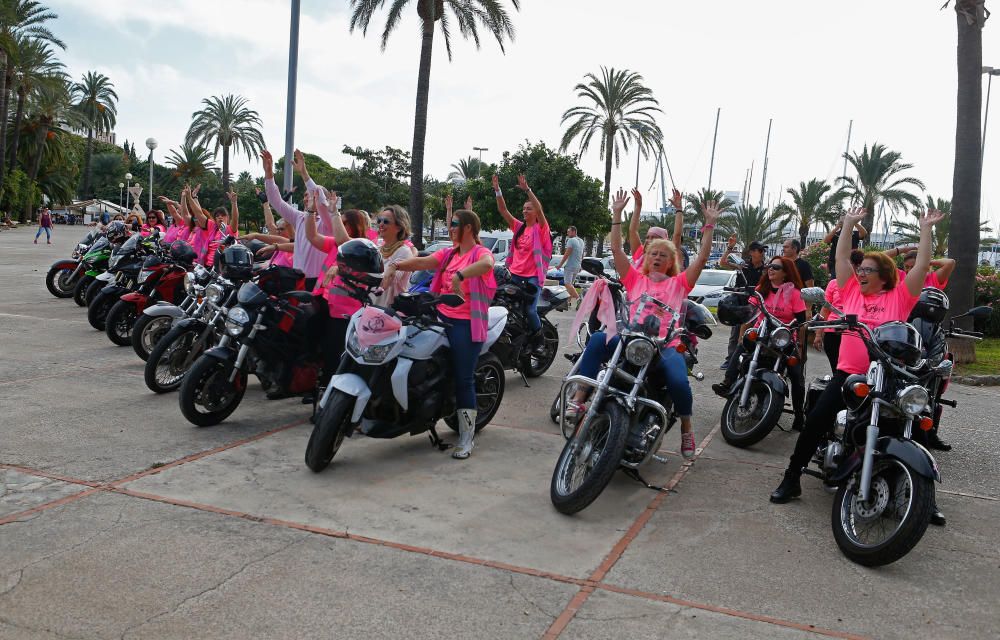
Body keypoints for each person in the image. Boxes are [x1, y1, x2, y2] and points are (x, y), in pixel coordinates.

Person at [770, 206, 946, 528]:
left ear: (884, 275)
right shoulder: (851, 292)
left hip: (887, 377)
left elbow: (921, 265)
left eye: (867, 270)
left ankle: (924, 497)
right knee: (815, 421)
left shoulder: (900, 297)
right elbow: (840, 260)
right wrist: (848, 225)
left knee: (915, 424)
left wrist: (926, 230)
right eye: (860, 268)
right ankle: (792, 477)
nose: (860, 273)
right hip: (849, 374)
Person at [566, 189, 722, 459]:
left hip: (663, 347)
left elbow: (702, 258)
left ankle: (686, 426)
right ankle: (581, 397)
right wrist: (617, 214)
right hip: (629, 339)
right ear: (646, 258)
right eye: (653, 253)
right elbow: (616, 248)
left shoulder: (679, 284)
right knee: (596, 340)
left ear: (672, 260)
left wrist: (709, 225)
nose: (658, 257)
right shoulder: (635, 279)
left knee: (678, 380)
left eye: (664, 254)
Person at [387, 208, 497, 459]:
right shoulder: (449, 253)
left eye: (455, 224)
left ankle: (466, 438)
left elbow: (488, 264)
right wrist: (396, 265)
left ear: (468, 227)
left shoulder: (479, 252)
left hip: (466, 321)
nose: (451, 228)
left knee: (464, 379)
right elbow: (425, 261)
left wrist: (461, 274)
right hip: (440, 314)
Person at [714, 255, 808, 429]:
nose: (770, 269)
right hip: (760, 333)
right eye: (770, 266)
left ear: (786, 273)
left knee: (796, 375)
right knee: (741, 349)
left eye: (776, 267)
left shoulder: (795, 294)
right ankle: (727, 382)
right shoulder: (761, 289)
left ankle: (799, 415)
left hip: (783, 339)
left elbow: (801, 323)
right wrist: (743, 335)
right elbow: (749, 316)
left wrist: (800, 347)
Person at [304, 194, 371, 389]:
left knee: (334, 354)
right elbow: (312, 237)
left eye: (343, 223)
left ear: (353, 226)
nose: (338, 226)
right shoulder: (336, 244)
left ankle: (330, 396)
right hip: (325, 304)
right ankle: (317, 387)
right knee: (319, 348)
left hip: (344, 313)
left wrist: (333, 212)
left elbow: (344, 241)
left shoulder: (363, 248)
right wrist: (310, 211)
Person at [493, 173, 551, 347]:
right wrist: (497, 191)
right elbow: (503, 210)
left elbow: (540, 210)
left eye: (529, 208)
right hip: (515, 276)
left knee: (530, 310)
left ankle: (539, 339)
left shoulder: (541, 228)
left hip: (533, 277)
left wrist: (527, 190)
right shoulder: (519, 227)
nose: (525, 211)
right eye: (524, 208)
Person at [260, 149, 332, 290]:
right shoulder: (300, 217)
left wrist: (304, 173)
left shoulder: (328, 222)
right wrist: (269, 176)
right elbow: (277, 202)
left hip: (318, 283)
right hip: (296, 280)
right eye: (305, 195)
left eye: (309, 195)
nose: (306, 198)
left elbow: (320, 198)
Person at [812, 249, 865, 371]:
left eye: (846, 263)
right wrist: (819, 334)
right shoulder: (833, 284)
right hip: (832, 332)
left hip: (855, 333)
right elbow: (825, 310)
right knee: (836, 369)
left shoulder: (865, 284)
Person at [719, 238, 768, 368]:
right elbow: (723, 263)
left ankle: (750, 360)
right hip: (740, 303)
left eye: (763, 250)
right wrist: (729, 248)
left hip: (757, 305)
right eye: (760, 250)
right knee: (735, 334)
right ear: (752, 252)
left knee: (757, 333)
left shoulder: (767, 268)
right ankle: (731, 360)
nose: (763, 253)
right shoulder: (743, 265)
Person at [629, 188, 688, 271]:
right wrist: (638, 206)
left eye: (654, 238)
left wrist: (679, 209)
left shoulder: (668, 257)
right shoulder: (640, 255)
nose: (649, 240)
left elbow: (677, 235)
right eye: (647, 237)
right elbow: (632, 231)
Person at [557, 226, 585, 306]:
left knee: (567, 283)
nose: (567, 233)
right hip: (577, 266)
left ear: (574, 232)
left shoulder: (571, 240)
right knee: (571, 285)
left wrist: (560, 265)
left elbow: (567, 253)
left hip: (570, 265)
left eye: (568, 232)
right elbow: (582, 254)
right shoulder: (581, 241)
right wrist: (581, 265)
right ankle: (567, 302)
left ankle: (578, 298)